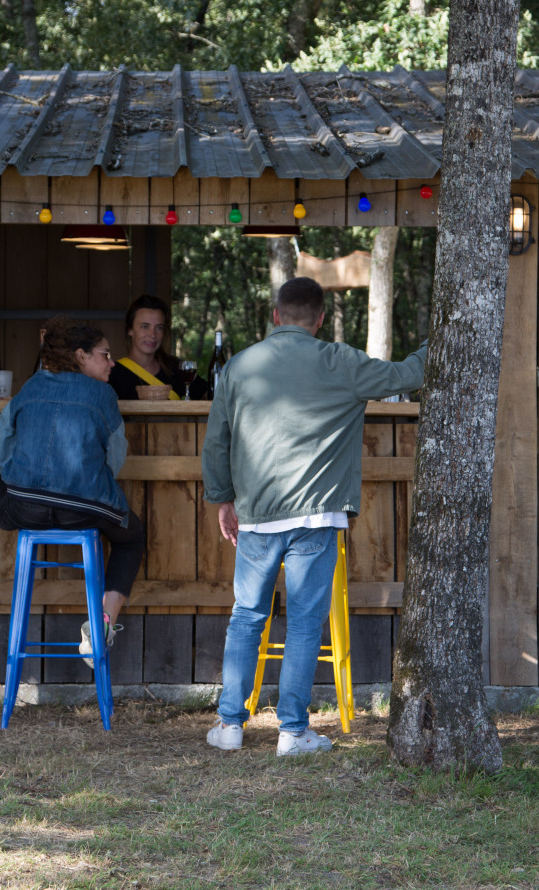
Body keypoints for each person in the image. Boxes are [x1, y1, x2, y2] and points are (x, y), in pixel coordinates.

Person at [201, 277, 426, 755]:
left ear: (276, 316)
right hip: (316, 516)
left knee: (246, 617)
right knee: (304, 623)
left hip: (257, 515)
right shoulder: (339, 361)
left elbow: (217, 440)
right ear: (320, 319)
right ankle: (292, 732)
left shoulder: (239, 366)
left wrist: (223, 498)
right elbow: (407, 376)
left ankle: (229, 727)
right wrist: (438, 340)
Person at [0, 317, 146, 663]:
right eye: (104, 355)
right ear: (80, 356)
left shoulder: (28, 388)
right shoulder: (104, 395)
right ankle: (102, 623)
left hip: (24, 509)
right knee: (132, 537)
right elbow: (115, 461)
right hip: (85, 513)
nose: (111, 362)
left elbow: (0, 457)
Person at [107, 294, 207, 401]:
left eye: (159, 328)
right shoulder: (112, 374)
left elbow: (214, 397)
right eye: (145, 326)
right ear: (130, 330)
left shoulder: (176, 369)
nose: (153, 335)